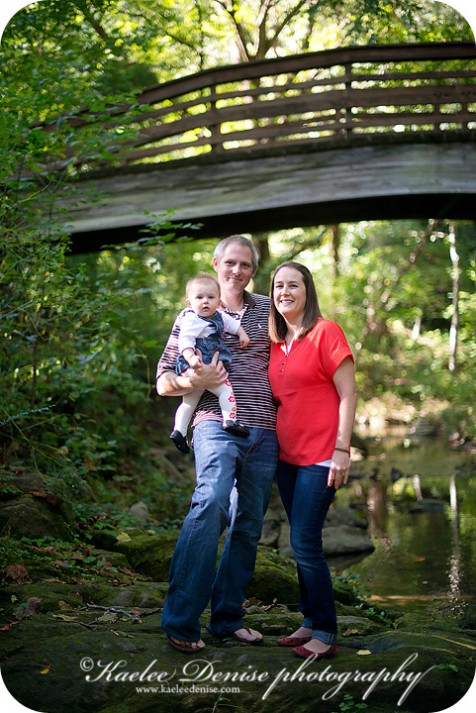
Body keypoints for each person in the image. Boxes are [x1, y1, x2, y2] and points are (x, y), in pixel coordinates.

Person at [156, 235, 278, 653]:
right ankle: (181, 620)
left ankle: (227, 619)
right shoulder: (193, 310)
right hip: (215, 423)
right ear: (216, 263)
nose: (237, 271)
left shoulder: (267, 309)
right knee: (209, 502)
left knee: (248, 524)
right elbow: (162, 383)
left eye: (245, 265)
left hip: (265, 431)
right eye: (230, 263)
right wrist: (195, 380)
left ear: (253, 271)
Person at [267, 261, 357, 661]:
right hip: (287, 458)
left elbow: (348, 394)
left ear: (307, 290)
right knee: (300, 540)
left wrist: (342, 448)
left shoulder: (327, 331)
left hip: (322, 456)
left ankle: (325, 630)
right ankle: (308, 620)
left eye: (293, 285)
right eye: (278, 286)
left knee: (304, 540)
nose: (284, 291)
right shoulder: (276, 341)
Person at [170, 273, 250, 454]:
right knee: (225, 390)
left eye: (210, 297)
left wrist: (242, 334)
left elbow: (233, 324)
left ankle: (179, 432)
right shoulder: (191, 319)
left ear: (219, 301)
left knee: (189, 403)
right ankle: (229, 419)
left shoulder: (219, 316)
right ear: (189, 302)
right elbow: (185, 341)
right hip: (198, 366)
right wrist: (191, 359)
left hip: (198, 367)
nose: (205, 302)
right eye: (199, 297)